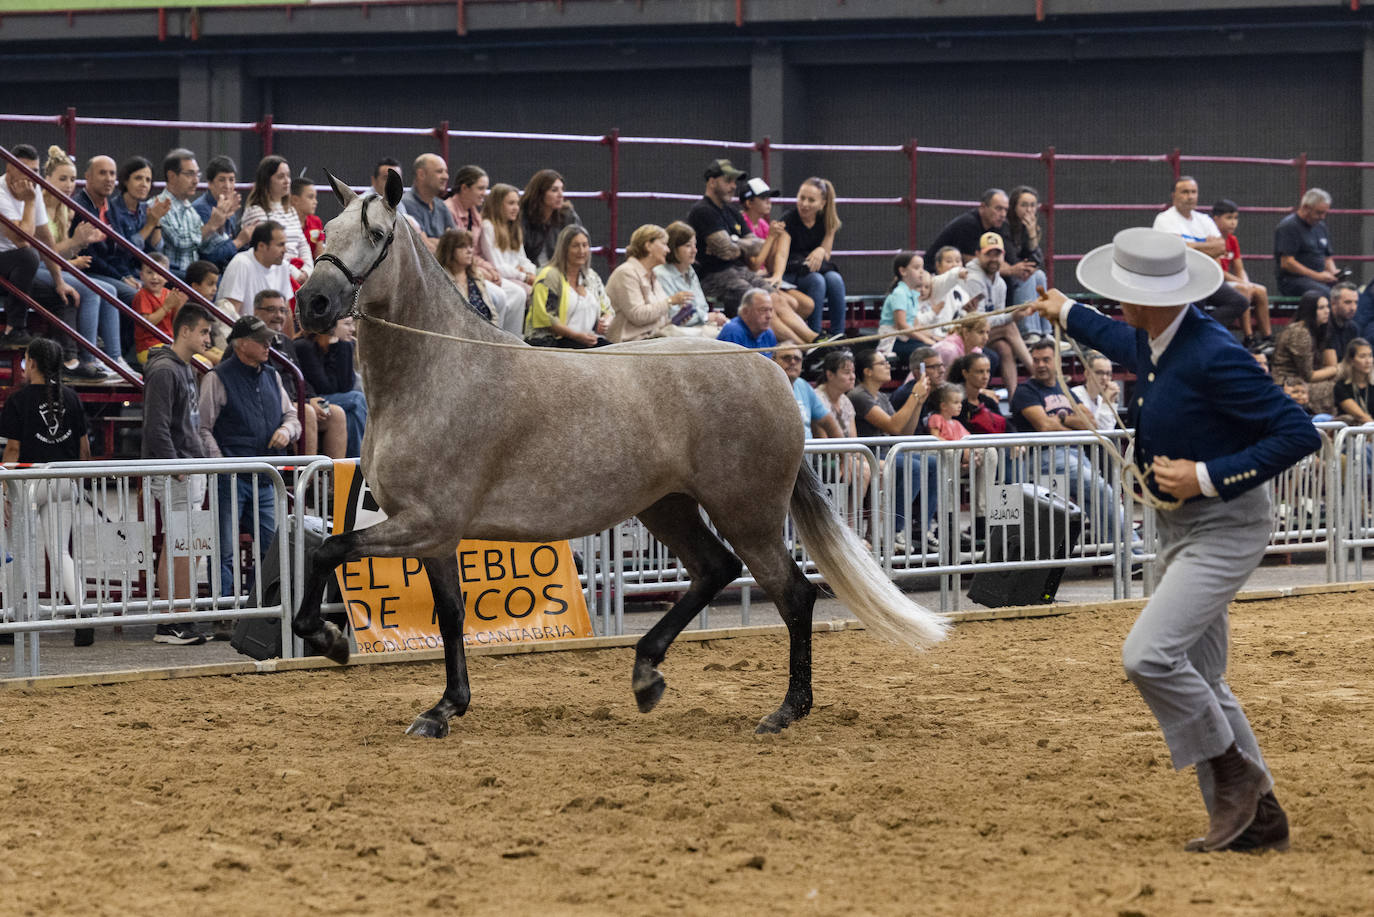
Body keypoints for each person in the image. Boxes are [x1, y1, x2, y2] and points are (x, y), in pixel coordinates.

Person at [1035, 225, 1321, 854]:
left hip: (1224, 527)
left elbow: (1300, 433)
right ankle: (1260, 817)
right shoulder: (1162, 337)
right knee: (1202, 675)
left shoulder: (1213, 353)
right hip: (1179, 526)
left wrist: (1207, 476)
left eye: (1121, 294)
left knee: (1150, 656)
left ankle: (1232, 777)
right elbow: (1121, 338)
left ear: (1150, 298)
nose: (1117, 304)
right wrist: (1068, 311)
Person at [0, 144, 125, 380]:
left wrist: (58, 281)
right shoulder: (3, 193)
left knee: (65, 295)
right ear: (10, 168)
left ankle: (70, 363)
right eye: (25, 170)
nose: (31, 177)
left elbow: (45, 237)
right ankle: (14, 328)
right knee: (29, 255)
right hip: (7, 263)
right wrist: (28, 202)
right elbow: (22, 238)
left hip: (23, 270)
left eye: (35, 171)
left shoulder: (34, 190)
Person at [198, 314, 300, 596]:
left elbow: (292, 416)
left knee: (269, 547)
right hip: (236, 477)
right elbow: (203, 428)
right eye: (261, 340)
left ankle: (258, 608)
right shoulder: (216, 378)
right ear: (241, 344)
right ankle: (226, 610)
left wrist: (287, 430)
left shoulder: (271, 375)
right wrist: (221, 465)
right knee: (225, 549)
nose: (269, 344)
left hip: (264, 476)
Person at [0, 337, 92, 645]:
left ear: (33, 363)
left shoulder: (18, 400)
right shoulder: (72, 398)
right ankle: (82, 614)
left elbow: (12, 449)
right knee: (60, 551)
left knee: (19, 552)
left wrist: (3, 487)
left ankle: (13, 619)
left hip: (28, 480)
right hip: (64, 479)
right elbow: (84, 448)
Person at [141, 302, 214, 645]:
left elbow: (187, 425)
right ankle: (172, 619)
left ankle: (179, 616)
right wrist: (176, 467)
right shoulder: (166, 371)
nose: (208, 338)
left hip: (187, 466)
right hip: (178, 470)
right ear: (184, 330)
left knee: (186, 543)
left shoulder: (183, 368)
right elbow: (157, 428)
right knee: (179, 544)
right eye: (203, 331)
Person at [1011, 338, 1128, 545]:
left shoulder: (1065, 389)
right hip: (1045, 457)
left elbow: (1090, 424)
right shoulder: (1025, 391)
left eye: (1046, 360)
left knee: (1101, 496)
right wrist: (1073, 425)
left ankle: (1116, 549)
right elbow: (1044, 427)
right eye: (1036, 360)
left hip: (1075, 454)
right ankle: (1129, 552)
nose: (1040, 365)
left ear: (1056, 361)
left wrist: (1062, 418)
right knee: (1103, 491)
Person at [847, 348, 937, 549]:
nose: (888, 366)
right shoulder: (859, 395)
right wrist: (914, 395)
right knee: (912, 468)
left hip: (887, 450)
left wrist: (919, 403)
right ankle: (894, 529)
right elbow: (893, 426)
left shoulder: (882, 396)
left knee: (933, 463)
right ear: (868, 371)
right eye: (882, 363)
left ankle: (923, 527)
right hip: (870, 453)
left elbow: (904, 432)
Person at [1152, 177, 1249, 331]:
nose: (1190, 196)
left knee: (1240, 301)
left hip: (1205, 278)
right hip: (1179, 280)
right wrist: (1206, 245)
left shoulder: (1204, 220)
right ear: (1174, 196)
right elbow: (1177, 251)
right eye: (1185, 192)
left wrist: (1189, 245)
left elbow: (1221, 247)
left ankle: (1203, 331)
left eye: (1193, 192)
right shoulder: (1165, 220)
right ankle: (1199, 333)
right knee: (1197, 302)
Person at [259, 290, 345, 458]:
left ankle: (337, 481)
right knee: (307, 412)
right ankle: (307, 481)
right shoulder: (252, 342)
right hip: (276, 405)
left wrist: (313, 397)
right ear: (256, 312)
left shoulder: (285, 341)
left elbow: (299, 378)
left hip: (299, 401)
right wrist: (306, 402)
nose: (278, 315)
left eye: (283, 310)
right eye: (271, 309)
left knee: (336, 413)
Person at [445, 165, 519, 326]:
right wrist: (482, 271)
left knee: (517, 293)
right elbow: (456, 252)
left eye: (486, 188)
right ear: (464, 188)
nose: (484, 193)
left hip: (473, 267)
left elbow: (475, 252)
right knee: (500, 296)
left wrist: (490, 269)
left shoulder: (474, 214)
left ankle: (512, 344)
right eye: (480, 188)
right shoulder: (448, 210)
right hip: (457, 271)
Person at [606, 224, 703, 342]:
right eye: (663, 244)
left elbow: (656, 319)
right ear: (648, 245)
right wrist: (670, 301)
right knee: (702, 338)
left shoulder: (652, 275)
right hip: (631, 343)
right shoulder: (626, 273)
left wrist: (676, 320)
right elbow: (638, 315)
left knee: (706, 336)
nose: (668, 250)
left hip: (653, 339)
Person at [774, 177, 846, 335]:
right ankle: (814, 335)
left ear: (822, 203)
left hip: (813, 268)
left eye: (811, 200)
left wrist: (821, 250)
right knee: (817, 281)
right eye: (801, 198)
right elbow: (782, 253)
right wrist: (778, 276)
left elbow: (825, 256)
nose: (804, 204)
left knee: (835, 280)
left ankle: (839, 335)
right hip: (792, 271)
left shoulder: (828, 221)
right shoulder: (789, 219)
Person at [963, 232, 1032, 395]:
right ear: (978, 254)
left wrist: (1010, 316)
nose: (993, 259)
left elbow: (995, 316)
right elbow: (977, 320)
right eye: (988, 254)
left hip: (983, 333)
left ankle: (1013, 400)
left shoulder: (1000, 282)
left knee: (1005, 348)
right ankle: (1035, 370)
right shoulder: (972, 278)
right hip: (965, 333)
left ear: (1003, 256)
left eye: (997, 254)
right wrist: (1012, 316)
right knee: (1009, 326)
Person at [291, 309, 366, 458]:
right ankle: (358, 463)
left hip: (334, 401)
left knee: (351, 412)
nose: (353, 329)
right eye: (347, 324)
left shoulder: (340, 345)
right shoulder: (304, 346)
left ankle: (350, 468)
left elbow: (346, 386)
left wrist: (344, 347)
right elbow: (325, 387)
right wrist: (341, 348)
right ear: (331, 326)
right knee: (357, 399)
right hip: (314, 401)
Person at [525, 225, 611, 348]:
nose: (581, 251)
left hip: (584, 339)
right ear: (564, 249)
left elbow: (607, 309)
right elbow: (545, 318)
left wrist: (605, 321)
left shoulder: (592, 277)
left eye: (585, 245)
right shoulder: (549, 276)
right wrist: (576, 336)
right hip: (551, 342)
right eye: (575, 246)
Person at [156, 148, 232, 275]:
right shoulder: (159, 204)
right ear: (172, 176)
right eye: (190, 174)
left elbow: (205, 248)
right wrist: (210, 226)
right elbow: (181, 243)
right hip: (172, 276)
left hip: (192, 277)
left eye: (197, 175)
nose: (196, 181)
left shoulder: (190, 209)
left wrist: (220, 225)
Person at [1210, 199, 1272, 348]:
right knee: (1243, 290)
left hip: (1232, 282)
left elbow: (1239, 268)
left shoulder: (1233, 240)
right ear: (1216, 219)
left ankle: (1267, 338)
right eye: (1229, 218)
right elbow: (1221, 272)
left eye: (1236, 218)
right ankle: (1248, 337)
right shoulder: (1212, 240)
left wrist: (1246, 281)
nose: (1233, 223)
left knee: (1261, 291)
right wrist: (1243, 285)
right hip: (1217, 283)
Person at [240, 155, 312, 282]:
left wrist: (307, 269)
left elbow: (302, 244)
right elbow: (268, 251)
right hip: (272, 275)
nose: (287, 181)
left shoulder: (291, 210)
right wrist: (295, 274)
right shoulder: (256, 211)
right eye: (280, 177)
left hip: (298, 273)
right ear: (267, 181)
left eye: (288, 176)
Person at [652, 221, 728, 335]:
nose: (694, 250)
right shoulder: (661, 274)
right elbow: (673, 316)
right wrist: (706, 317)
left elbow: (702, 306)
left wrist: (712, 317)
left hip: (699, 327)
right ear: (673, 247)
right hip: (677, 332)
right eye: (688, 245)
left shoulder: (690, 270)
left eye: (695, 245)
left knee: (734, 329)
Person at [1271, 290, 1337, 415]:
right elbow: (1309, 375)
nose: (1327, 311)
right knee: (1337, 387)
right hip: (1289, 384)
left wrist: (1335, 369)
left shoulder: (1320, 329)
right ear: (1310, 311)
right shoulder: (1300, 332)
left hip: (1304, 381)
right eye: (1321, 308)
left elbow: (1329, 361)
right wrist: (1336, 369)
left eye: (1327, 306)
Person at [1004, 185, 1054, 340]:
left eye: (1032, 205)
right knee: (1028, 276)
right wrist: (1027, 266)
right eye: (1024, 205)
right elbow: (1012, 259)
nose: (1029, 210)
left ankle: (1046, 331)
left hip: (1022, 275)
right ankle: (1029, 331)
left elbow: (1037, 260)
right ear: (1014, 207)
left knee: (1038, 275)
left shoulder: (1029, 227)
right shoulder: (1005, 226)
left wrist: (1032, 234)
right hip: (1006, 278)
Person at [1274, 188, 1340, 299]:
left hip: (1319, 278)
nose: (1322, 217)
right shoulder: (1289, 227)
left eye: (1325, 213)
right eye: (1318, 213)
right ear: (1305, 208)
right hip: (1294, 281)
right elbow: (1287, 263)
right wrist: (1318, 276)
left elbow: (1327, 258)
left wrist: (1334, 273)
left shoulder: (1321, 226)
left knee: (1350, 292)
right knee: (1325, 294)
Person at [481, 182, 538, 301]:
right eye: (511, 203)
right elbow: (498, 266)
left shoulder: (514, 228)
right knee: (524, 292)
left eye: (517, 203)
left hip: (516, 277)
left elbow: (523, 259)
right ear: (497, 205)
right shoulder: (488, 227)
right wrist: (524, 276)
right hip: (501, 279)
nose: (516, 208)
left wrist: (529, 271)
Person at [193, 155, 251, 270]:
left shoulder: (229, 206)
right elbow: (212, 255)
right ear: (209, 183)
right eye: (222, 180)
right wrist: (240, 241)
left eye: (231, 179)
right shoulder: (201, 209)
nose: (228, 186)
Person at [774, 344, 842, 440]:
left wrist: (845, 454)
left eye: (797, 359)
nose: (792, 362)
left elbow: (829, 422)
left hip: (807, 452)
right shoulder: (765, 387)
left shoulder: (803, 386)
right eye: (786, 358)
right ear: (773, 361)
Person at [131, 252, 186, 365]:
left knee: (204, 363)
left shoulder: (169, 294)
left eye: (159, 273)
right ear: (141, 276)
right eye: (149, 272)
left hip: (170, 343)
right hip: (149, 348)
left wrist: (180, 306)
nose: (154, 277)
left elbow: (175, 325)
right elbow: (147, 324)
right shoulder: (142, 295)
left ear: (167, 276)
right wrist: (166, 307)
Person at [519, 168, 582, 267]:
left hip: (561, 270)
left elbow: (581, 245)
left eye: (562, 189)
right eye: (554, 190)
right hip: (530, 272)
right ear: (539, 193)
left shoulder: (568, 216)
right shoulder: (523, 217)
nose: (561, 195)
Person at [401, 154, 456, 254]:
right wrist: (444, 243)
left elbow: (457, 244)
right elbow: (424, 248)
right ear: (421, 174)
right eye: (439, 171)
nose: (446, 176)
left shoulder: (441, 205)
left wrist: (433, 241)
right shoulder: (406, 203)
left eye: (446, 172)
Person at [949, 353, 1007, 435]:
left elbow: (1007, 427)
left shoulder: (989, 401)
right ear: (965, 373)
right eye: (980, 372)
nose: (985, 376)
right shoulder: (955, 403)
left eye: (988, 371)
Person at [715, 288, 778, 356]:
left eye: (770, 310)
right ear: (745, 312)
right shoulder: (733, 332)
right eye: (763, 310)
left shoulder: (768, 334)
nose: (769, 316)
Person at [1070, 350, 1120, 431]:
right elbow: (1100, 430)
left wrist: (1111, 401)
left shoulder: (1101, 399)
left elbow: (1109, 429)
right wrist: (1106, 403)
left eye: (1108, 374)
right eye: (1099, 372)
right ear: (1087, 374)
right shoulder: (1076, 395)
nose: (1104, 378)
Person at [1334, 338, 1373, 425]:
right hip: (1351, 433)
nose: (1368, 361)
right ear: (1351, 360)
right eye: (1362, 356)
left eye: (1370, 356)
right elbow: (1360, 416)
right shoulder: (1341, 386)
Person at [290, 177, 325, 261]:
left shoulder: (316, 222)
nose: (315, 202)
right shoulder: (282, 223)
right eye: (310, 197)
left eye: (315, 197)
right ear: (295, 199)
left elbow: (319, 257)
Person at [1327, 282, 1361, 361]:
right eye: (1348, 302)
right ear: (1333, 303)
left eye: (1356, 302)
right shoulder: (1324, 327)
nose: (1353, 308)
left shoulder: (1353, 328)